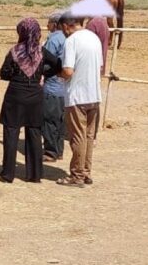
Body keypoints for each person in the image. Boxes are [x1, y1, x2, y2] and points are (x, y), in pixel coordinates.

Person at [0, 18, 60, 184]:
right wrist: (43, 73)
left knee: (11, 133)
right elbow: (58, 65)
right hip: (35, 97)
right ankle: (34, 174)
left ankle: (7, 174)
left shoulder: (14, 52)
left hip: (15, 96)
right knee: (34, 133)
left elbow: (3, 73)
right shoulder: (41, 52)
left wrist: (15, 76)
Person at [56, 14, 104, 187]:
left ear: (66, 26)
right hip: (94, 95)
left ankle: (76, 175)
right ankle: (86, 172)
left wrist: (57, 74)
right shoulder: (94, 38)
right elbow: (100, 67)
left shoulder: (72, 41)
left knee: (77, 136)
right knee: (89, 136)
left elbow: (68, 71)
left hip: (78, 96)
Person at [41, 11, 68, 162]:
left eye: (49, 23)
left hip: (52, 86)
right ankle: (59, 150)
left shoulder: (53, 39)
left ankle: (50, 152)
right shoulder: (68, 38)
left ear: (55, 24)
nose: (47, 26)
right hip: (64, 87)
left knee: (49, 119)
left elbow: (47, 61)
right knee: (60, 120)